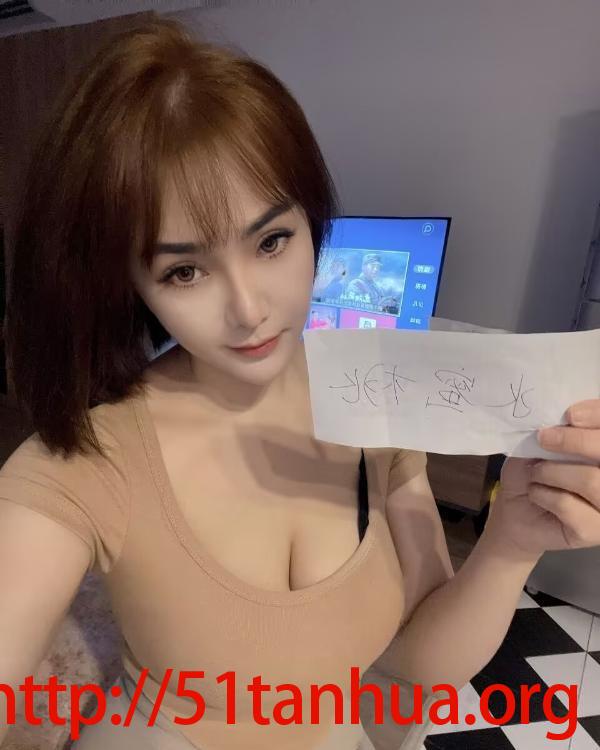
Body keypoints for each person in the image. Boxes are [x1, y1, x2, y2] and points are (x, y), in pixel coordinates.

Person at [2, 14, 600, 750]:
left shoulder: (377, 397)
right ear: (130, 283)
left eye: (272, 241)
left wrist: (512, 542)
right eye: (184, 271)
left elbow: (417, 663)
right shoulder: (93, 458)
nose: (249, 308)